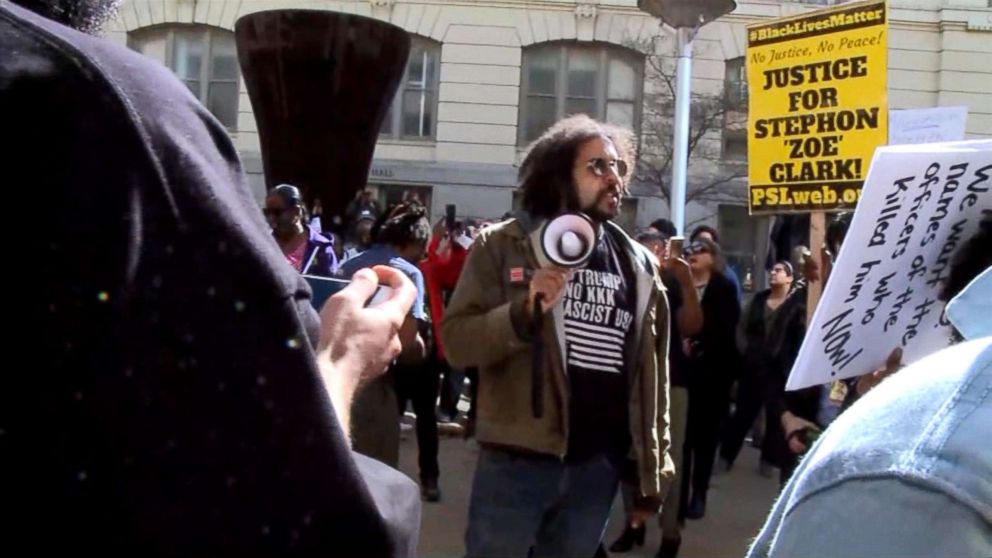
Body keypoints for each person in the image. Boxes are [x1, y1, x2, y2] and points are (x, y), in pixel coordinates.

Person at [4, 0, 423, 555]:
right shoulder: (106, 110)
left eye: (281, 213)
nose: (272, 220)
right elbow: (282, 505)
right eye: (266, 213)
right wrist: (341, 363)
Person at [442, 115, 674, 558]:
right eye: (597, 167)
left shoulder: (639, 265)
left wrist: (651, 472)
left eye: (618, 167)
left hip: (596, 469)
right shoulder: (503, 245)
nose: (614, 178)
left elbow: (652, 378)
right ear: (560, 172)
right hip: (516, 461)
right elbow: (456, 341)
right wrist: (521, 312)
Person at [747, 217, 992, 557]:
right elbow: (768, 366)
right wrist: (787, 417)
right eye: (840, 251)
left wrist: (887, 400)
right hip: (810, 438)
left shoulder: (918, 316)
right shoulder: (803, 305)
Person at [610, 226, 702, 558]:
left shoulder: (674, 282)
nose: (652, 250)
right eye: (644, 244)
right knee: (626, 460)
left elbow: (692, 326)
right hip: (627, 382)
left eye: (657, 245)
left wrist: (687, 282)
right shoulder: (623, 277)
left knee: (668, 460)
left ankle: (670, 534)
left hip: (670, 382)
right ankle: (632, 525)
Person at [338, 203, 431, 473]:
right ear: (414, 241)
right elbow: (404, 341)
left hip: (339, 380)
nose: (423, 256)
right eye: (422, 249)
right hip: (376, 388)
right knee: (377, 474)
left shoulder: (349, 266)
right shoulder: (408, 274)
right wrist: (421, 347)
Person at [720, 262, 798, 478]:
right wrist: (746, 351)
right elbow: (741, 329)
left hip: (778, 368)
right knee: (743, 413)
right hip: (753, 365)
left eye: (779, 271)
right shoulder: (757, 301)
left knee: (776, 417)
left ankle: (768, 460)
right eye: (772, 270)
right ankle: (726, 457)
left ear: (790, 278)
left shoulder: (794, 306)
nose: (773, 273)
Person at [682, 237, 741, 520]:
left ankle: (699, 495)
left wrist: (700, 345)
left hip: (712, 376)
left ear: (713, 257)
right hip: (680, 374)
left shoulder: (723, 288)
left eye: (701, 250)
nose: (693, 254)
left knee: (704, 441)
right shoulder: (677, 285)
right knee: (681, 441)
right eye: (690, 249)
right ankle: (677, 499)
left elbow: (727, 332)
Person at [264, 184, 339, 276]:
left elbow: (331, 286)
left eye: (277, 212)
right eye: (267, 213)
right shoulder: (264, 246)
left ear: (296, 212)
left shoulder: (321, 248)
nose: (271, 218)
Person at [690, 225, 743, 302]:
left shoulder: (727, 278)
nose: (697, 252)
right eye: (698, 242)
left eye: (703, 248)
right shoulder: (683, 275)